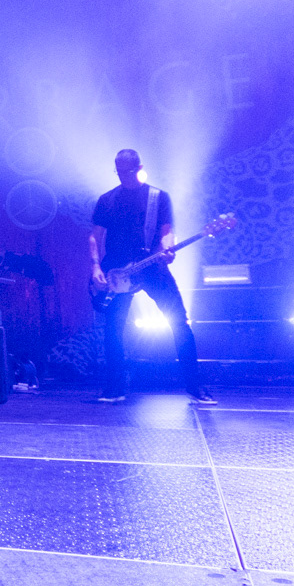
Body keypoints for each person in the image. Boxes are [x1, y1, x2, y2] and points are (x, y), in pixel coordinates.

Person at [87, 150, 216, 405]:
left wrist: (167, 249)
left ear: (139, 168)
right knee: (113, 329)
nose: (123, 176)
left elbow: (167, 232)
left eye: (127, 171)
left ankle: (195, 387)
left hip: (152, 267)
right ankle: (114, 388)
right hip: (117, 271)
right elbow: (95, 236)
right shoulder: (107, 200)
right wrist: (95, 267)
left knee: (179, 323)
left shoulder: (158, 197)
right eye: (118, 172)